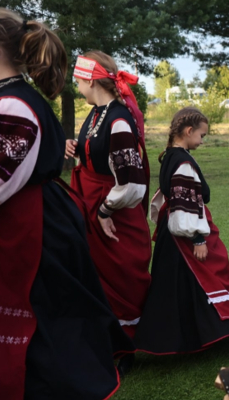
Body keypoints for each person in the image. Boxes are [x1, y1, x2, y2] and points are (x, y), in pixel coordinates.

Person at [0, 8, 131, 400]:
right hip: (20, 229)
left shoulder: (13, 104)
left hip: (29, 236)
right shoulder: (1, 97)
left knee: (47, 332)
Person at [135, 107, 229, 354]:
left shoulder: (171, 155)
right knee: (204, 276)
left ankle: (185, 335)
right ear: (188, 132)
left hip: (175, 228)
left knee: (179, 284)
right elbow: (185, 204)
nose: (202, 140)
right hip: (186, 231)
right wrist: (198, 238)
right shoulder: (184, 162)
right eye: (201, 135)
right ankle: (207, 333)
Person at [65, 51, 151, 344]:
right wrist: (76, 147)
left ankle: (126, 341)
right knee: (95, 272)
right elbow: (99, 151)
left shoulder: (118, 120)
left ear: (90, 79)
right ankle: (103, 336)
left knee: (121, 274)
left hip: (115, 210)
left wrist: (105, 211)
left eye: (78, 79)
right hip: (91, 202)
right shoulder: (97, 112)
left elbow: (131, 182)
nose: (76, 85)